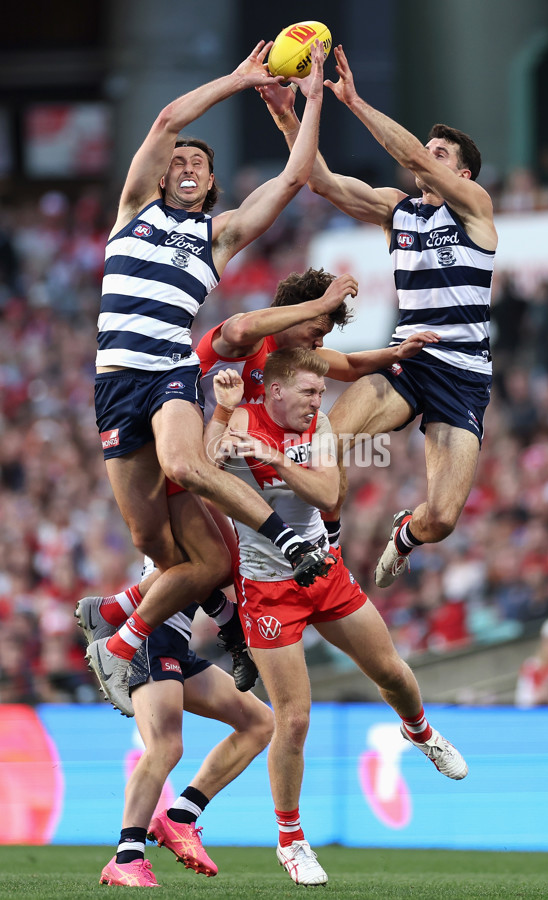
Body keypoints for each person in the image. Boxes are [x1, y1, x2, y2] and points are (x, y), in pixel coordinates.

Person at [86, 39, 339, 717]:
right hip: (116, 379)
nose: (187, 164)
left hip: (167, 370)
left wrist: (308, 104)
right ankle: (115, 620)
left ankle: (281, 547)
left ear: (212, 182)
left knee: (185, 461)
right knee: (171, 554)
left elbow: (292, 179)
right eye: (180, 162)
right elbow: (166, 120)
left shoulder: (217, 238)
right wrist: (234, 80)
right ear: (163, 177)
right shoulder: (134, 213)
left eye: (201, 161)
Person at [81, 268, 437, 703]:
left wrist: (399, 352)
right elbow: (243, 325)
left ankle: (117, 611)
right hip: (184, 458)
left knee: (215, 565)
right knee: (210, 566)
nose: (320, 341)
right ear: (294, 313)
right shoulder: (248, 342)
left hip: (211, 469)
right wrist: (321, 304)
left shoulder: (295, 365)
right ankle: (123, 644)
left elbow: (353, 365)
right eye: (318, 328)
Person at [210, 349, 468, 887]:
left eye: (320, 393)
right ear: (276, 392)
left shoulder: (321, 426)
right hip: (267, 590)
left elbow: (328, 492)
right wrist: (219, 415)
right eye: (308, 392)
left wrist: (274, 457)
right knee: (295, 718)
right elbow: (206, 463)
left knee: (392, 672)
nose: (318, 402)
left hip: (321, 572)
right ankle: (291, 840)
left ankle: (420, 733)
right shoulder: (243, 417)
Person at [259, 44, 497, 589]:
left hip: (464, 378)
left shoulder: (475, 209)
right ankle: (327, 545)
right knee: (326, 443)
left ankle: (404, 537)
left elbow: (411, 155)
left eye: (440, 152)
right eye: (427, 148)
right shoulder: (398, 210)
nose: (425, 155)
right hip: (408, 361)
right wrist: (285, 113)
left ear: (461, 172)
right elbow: (321, 180)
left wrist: (356, 102)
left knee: (441, 519)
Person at [99, 601, 273, 887]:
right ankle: (126, 858)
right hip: (150, 639)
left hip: (175, 645)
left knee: (259, 723)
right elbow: (203, 580)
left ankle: (180, 816)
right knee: (164, 747)